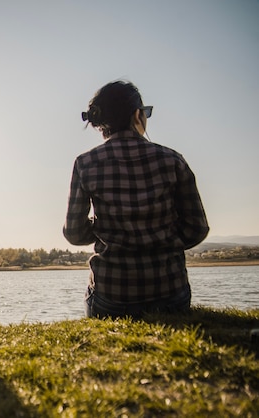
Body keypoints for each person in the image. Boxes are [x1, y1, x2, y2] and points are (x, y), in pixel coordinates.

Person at [63, 80, 209, 319]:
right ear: (137, 115)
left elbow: (74, 233)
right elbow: (197, 228)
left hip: (111, 297)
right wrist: (163, 240)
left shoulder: (85, 164)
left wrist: (106, 231)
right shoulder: (173, 160)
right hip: (170, 295)